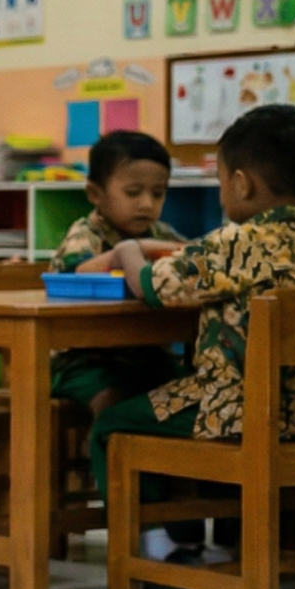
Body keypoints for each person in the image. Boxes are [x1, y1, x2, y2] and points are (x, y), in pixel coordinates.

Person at [85, 105, 295, 565]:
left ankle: (151, 551)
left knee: (112, 423)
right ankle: (215, 540)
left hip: (234, 412)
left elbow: (154, 288)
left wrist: (128, 250)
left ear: (241, 182)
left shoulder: (234, 243)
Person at [51, 130, 185, 414]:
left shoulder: (162, 233)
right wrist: (130, 250)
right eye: (133, 192)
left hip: (148, 353)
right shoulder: (84, 235)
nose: (146, 203)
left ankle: (156, 456)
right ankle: (105, 449)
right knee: (112, 399)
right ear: (94, 194)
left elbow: (188, 255)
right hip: (83, 360)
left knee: (188, 390)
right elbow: (79, 270)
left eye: (157, 193)